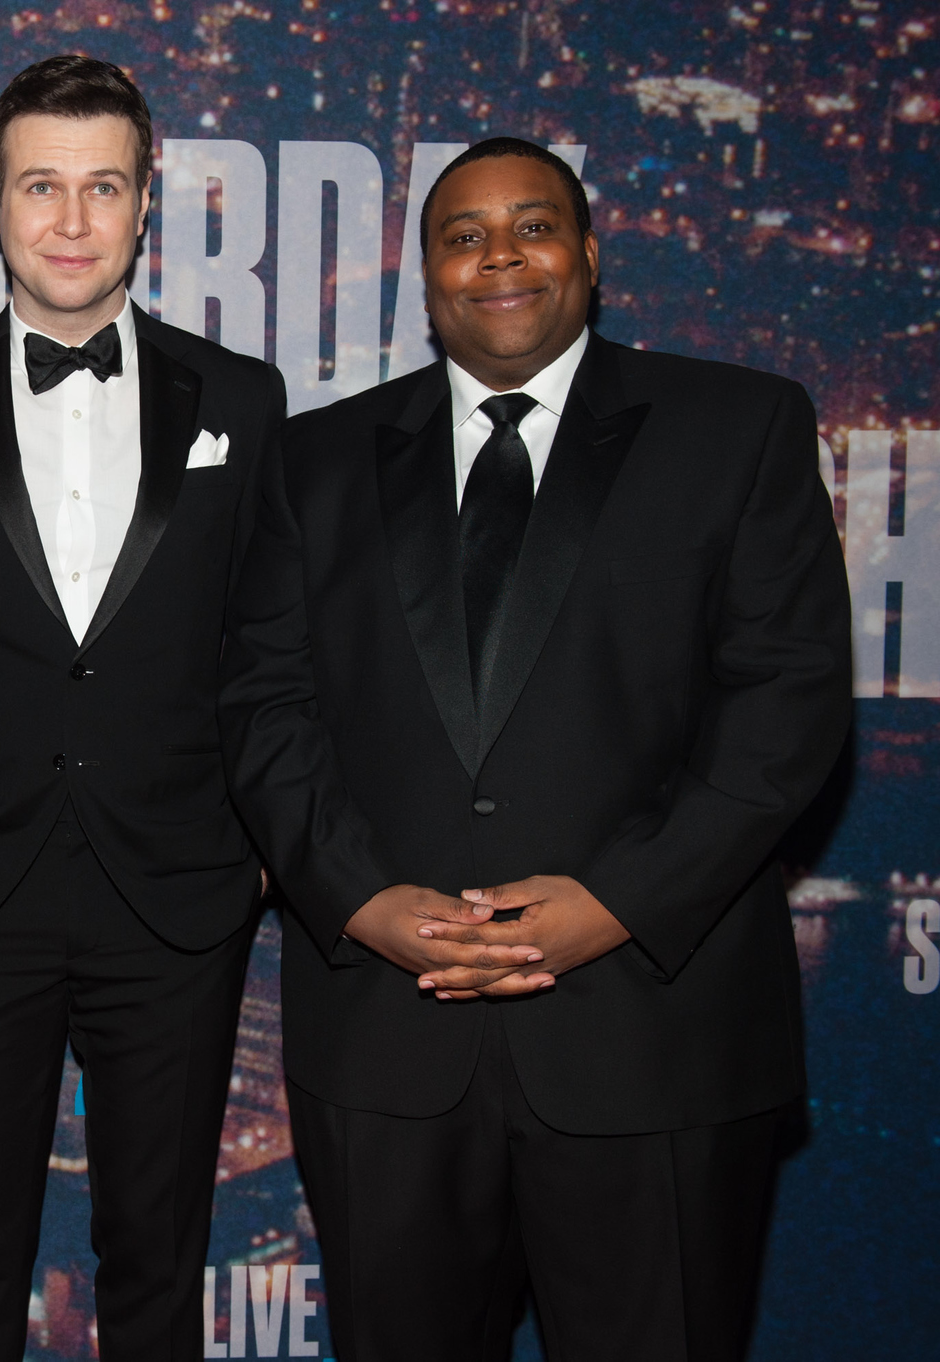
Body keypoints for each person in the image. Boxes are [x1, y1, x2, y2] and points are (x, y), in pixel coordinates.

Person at [222, 137, 851, 1361]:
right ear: (425, 276)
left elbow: (785, 708)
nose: (497, 257)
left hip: (652, 1038)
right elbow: (261, 705)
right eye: (462, 236)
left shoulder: (737, 428)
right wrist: (360, 901)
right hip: (389, 1041)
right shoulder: (312, 461)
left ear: (590, 257)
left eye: (530, 227)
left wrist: (612, 904)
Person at [0, 56, 287, 1360]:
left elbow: (272, 650)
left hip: (181, 896)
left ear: (147, 201)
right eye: (43, 185)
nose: (74, 220)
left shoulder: (244, 401)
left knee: (160, 1265)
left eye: (104, 186)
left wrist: (253, 853)